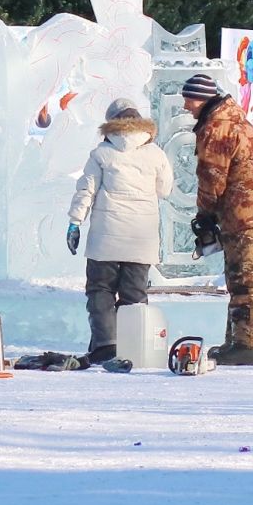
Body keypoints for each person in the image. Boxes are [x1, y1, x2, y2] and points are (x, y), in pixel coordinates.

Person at [66, 98, 173, 364]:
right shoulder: (156, 154)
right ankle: (133, 346)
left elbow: (86, 190)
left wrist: (75, 222)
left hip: (106, 237)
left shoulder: (101, 153)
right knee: (134, 295)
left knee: (100, 289)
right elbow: (165, 190)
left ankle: (105, 345)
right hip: (142, 238)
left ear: (111, 123)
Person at [184, 72, 253, 367]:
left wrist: (204, 214)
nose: (186, 106)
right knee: (249, 281)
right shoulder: (235, 119)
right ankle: (237, 341)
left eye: (189, 99)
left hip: (243, 213)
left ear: (203, 99)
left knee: (243, 281)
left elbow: (212, 175)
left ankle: (246, 346)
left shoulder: (217, 126)